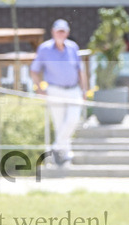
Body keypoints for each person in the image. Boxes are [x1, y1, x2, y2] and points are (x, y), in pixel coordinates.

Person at [30, 19, 87, 167]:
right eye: (58, 31)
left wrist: (84, 89)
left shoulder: (73, 47)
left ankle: (55, 148)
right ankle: (64, 156)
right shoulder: (44, 49)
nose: (61, 34)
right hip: (55, 90)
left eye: (63, 31)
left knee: (73, 120)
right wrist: (39, 89)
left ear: (67, 33)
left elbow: (80, 70)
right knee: (60, 124)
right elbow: (34, 70)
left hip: (73, 89)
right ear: (53, 32)